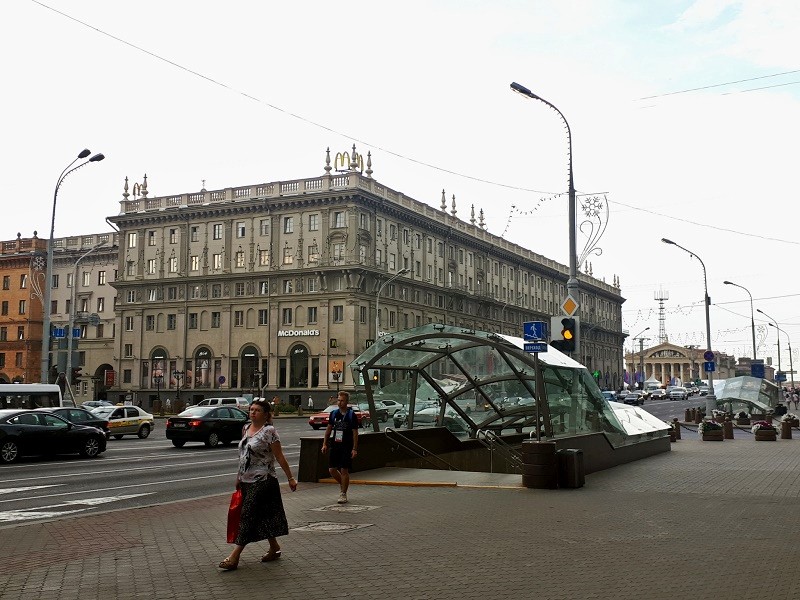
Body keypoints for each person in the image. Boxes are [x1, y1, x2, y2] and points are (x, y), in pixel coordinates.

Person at [218, 399, 298, 571]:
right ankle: (275, 547)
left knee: (248, 516)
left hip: (264, 480)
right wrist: (238, 476)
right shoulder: (245, 428)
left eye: (257, 410)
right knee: (263, 515)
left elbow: (280, 456)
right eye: (251, 409)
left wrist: (291, 478)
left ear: (266, 414)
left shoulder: (269, 431)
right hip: (246, 480)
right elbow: (243, 455)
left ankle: (234, 556)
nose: (253, 412)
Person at [321, 391, 358, 504]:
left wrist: (354, 448)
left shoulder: (351, 415)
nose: (339, 402)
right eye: (338, 400)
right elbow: (329, 429)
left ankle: (343, 493)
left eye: (342, 400)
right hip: (335, 445)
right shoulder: (334, 414)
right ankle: (343, 484)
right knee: (332, 469)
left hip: (346, 446)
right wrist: (325, 443)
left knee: (344, 470)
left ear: (346, 402)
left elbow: (355, 433)